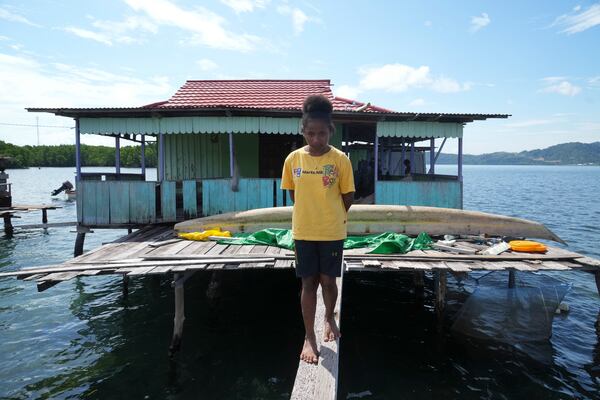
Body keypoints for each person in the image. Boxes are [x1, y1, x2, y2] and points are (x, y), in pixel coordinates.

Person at [281, 95, 355, 364]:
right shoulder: (293, 160)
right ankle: (309, 337)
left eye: (321, 133)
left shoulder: (340, 160)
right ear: (303, 132)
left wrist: (331, 217)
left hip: (332, 232)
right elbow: (294, 195)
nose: (316, 139)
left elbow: (348, 197)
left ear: (330, 131)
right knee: (308, 283)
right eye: (310, 133)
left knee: (328, 281)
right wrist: (311, 215)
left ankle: (328, 317)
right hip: (303, 232)